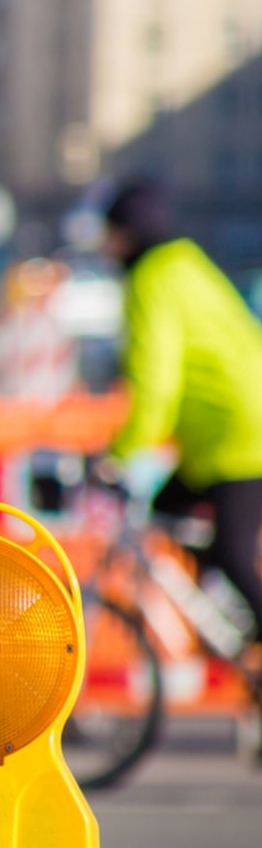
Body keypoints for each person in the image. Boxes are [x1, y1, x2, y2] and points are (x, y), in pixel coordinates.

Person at [99, 179, 262, 650]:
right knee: (169, 515)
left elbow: (156, 383)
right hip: (223, 433)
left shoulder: (151, 279)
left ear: (125, 234)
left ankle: (249, 643)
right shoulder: (186, 264)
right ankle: (234, 638)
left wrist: (121, 454)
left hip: (238, 436)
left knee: (233, 553)